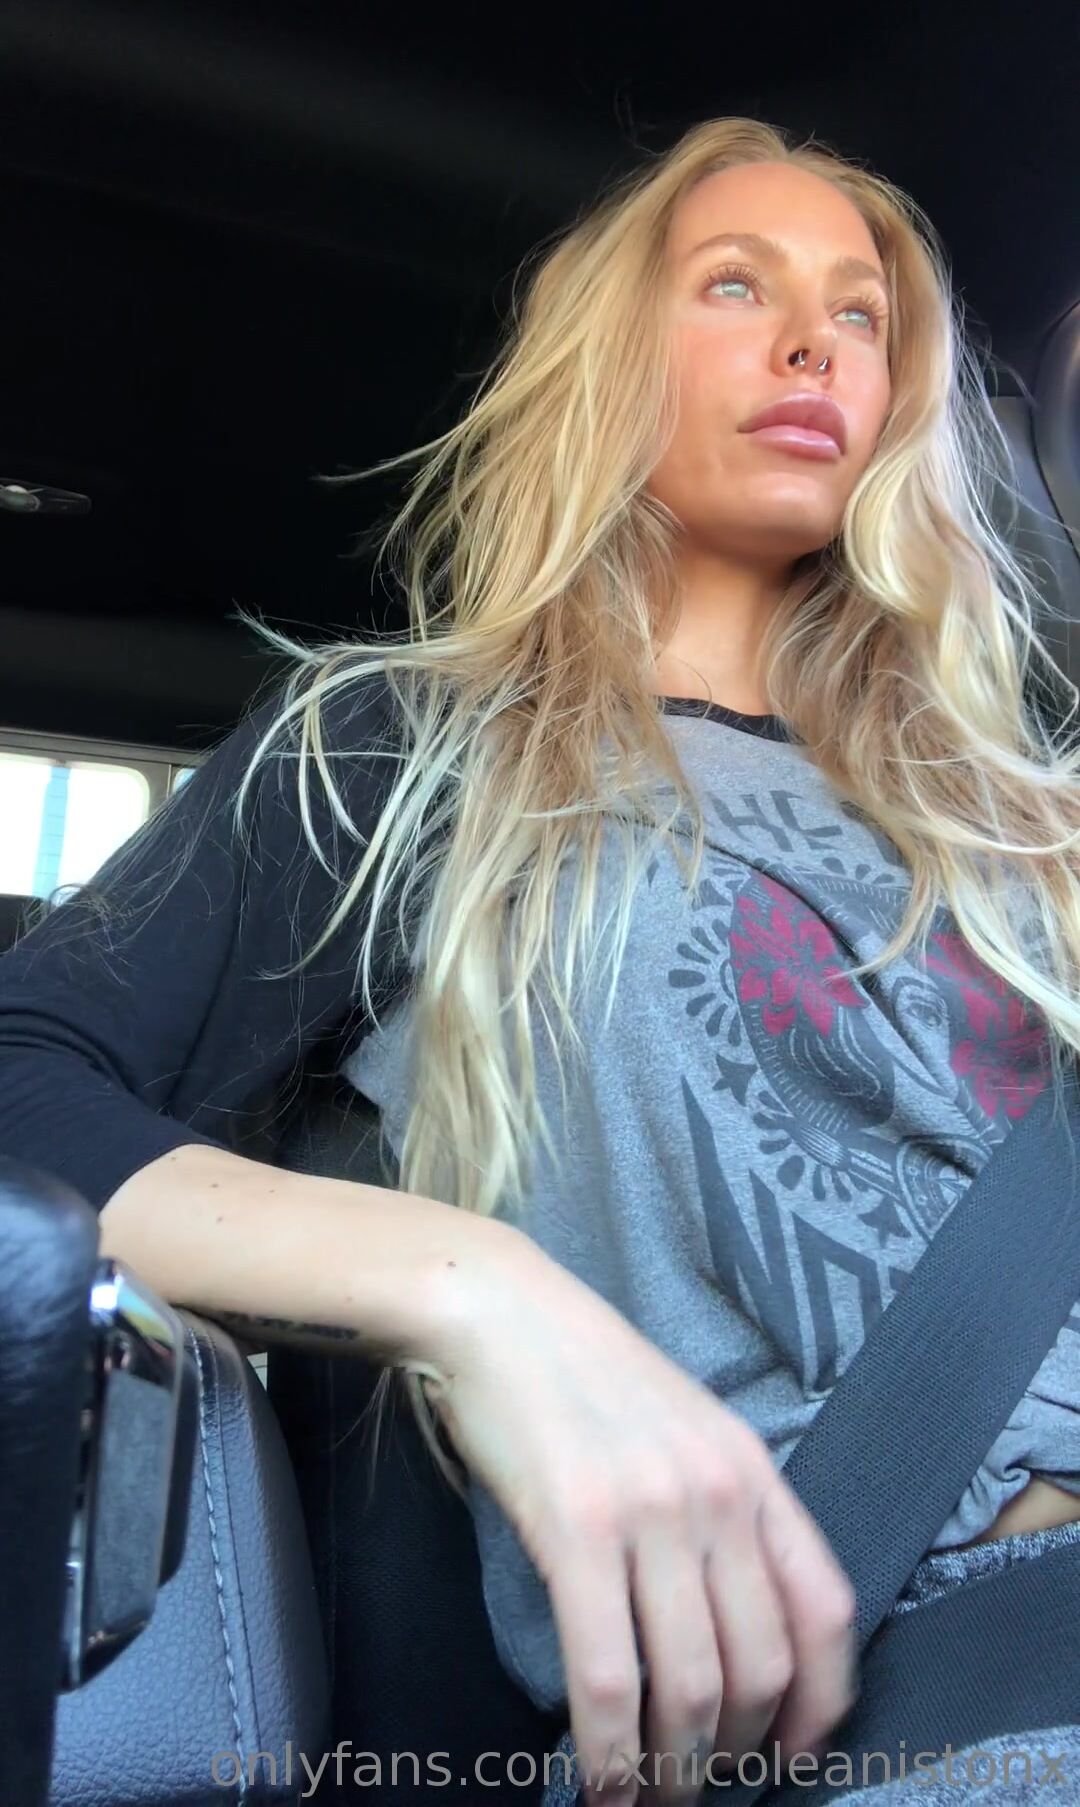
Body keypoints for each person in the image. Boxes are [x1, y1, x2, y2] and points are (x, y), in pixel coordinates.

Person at [2, 116, 1080, 1807]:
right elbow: (24, 1086)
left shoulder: (1024, 821)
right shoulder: (414, 742)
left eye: (861, 314)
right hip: (913, 1688)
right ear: (609, 354)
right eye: (738, 285)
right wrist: (474, 1293)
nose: (814, 343)